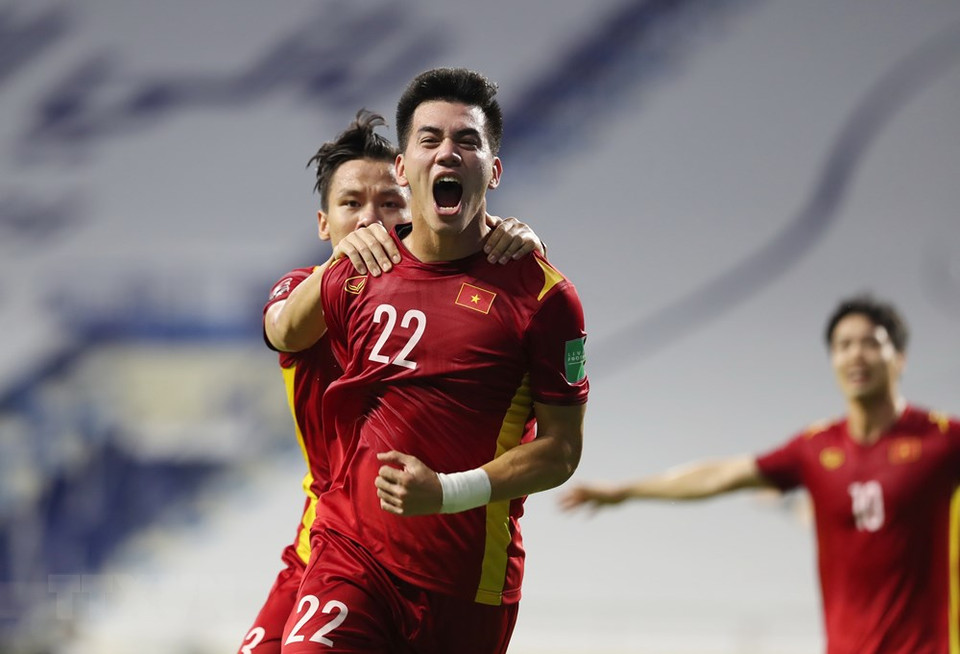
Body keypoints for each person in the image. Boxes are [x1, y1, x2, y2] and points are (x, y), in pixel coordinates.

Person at [278, 68, 589, 654]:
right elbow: (282, 330)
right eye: (429, 140)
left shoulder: (545, 299)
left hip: (467, 583)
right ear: (403, 167)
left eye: (467, 142)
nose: (447, 153)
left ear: (493, 171)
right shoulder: (356, 269)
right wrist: (330, 264)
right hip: (353, 555)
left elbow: (562, 451)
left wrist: (447, 492)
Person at [561, 294, 960, 654]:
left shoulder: (942, 441)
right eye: (843, 345)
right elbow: (719, 476)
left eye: (871, 343)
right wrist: (626, 491)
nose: (856, 355)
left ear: (900, 357)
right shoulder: (816, 449)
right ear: (833, 360)